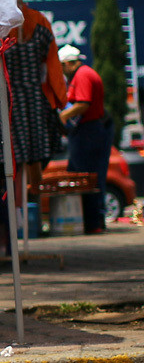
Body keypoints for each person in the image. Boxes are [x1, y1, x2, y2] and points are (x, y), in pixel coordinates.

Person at [0, 0, 68, 221]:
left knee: (13, 160)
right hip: (32, 101)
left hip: (7, 101)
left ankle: (24, 211)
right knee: (31, 158)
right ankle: (29, 208)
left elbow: (52, 64)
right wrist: (59, 99)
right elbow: (53, 63)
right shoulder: (39, 22)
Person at [59, 45, 113, 234]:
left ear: (68, 64)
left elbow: (83, 104)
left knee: (85, 177)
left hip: (88, 131)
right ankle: (91, 221)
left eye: (62, 67)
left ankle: (93, 223)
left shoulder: (82, 75)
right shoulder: (86, 73)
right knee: (85, 175)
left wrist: (63, 116)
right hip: (89, 130)